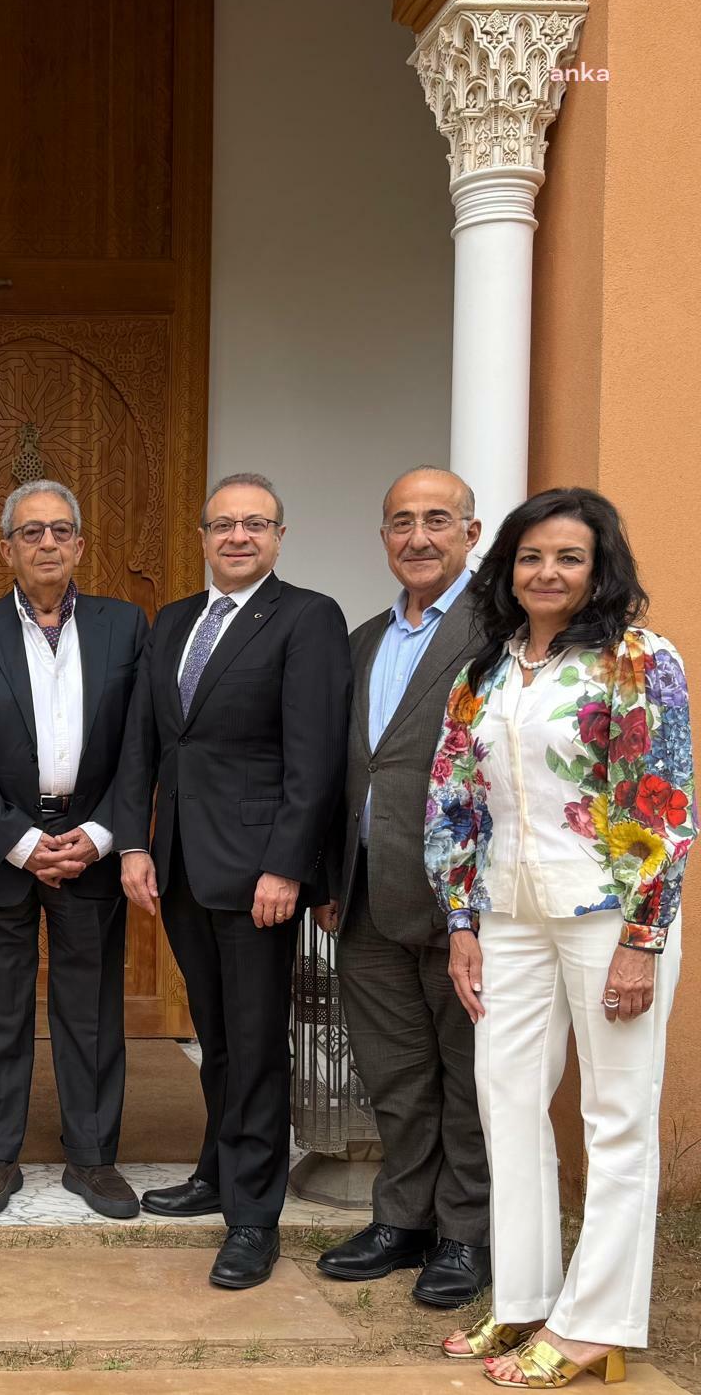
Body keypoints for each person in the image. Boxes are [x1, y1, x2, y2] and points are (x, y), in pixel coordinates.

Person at [426, 487, 688, 1389]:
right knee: (506, 1102)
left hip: (610, 915)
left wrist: (643, 937)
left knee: (614, 1117)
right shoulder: (484, 673)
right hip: (506, 919)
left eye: (568, 557)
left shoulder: (639, 661)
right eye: (532, 556)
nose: (548, 572)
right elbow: (453, 803)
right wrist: (462, 921)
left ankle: (594, 1326)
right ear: (507, 566)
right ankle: (526, 1299)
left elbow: (667, 802)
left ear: (598, 568)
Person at [114, 471, 350, 1289]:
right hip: (179, 865)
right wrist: (133, 845)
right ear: (203, 535)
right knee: (214, 1035)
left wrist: (288, 863)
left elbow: (314, 756)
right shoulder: (175, 620)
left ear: (280, 536)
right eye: (224, 524)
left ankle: (253, 1217)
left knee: (254, 1045)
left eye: (256, 524)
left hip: (259, 875)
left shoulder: (308, 617)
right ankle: (217, 1169)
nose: (239, 536)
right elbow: (145, 743)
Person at [0, 480, 147, 1220]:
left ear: (81, 545)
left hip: (91, 842)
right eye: (32, 533)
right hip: (0, 848)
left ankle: (93, 1159)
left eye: (61, 531)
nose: (48, 543)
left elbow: (139, 746)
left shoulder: (128, 626)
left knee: (91, 1009)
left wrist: (98, 835)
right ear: (7, 548)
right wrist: (23, 843)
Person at [311, 467, 491, 1307]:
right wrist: (328, 875)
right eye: (401, 522)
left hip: (464, 901)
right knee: (395, 1070)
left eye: (437, 520)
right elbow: (350, 769)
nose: (418, 537)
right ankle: (402, 1219)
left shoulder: (502, 632)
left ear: (471, 533)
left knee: (468, 1069)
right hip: (367, 893)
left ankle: (466, 1233)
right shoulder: (361, 639)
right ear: (383, 536)